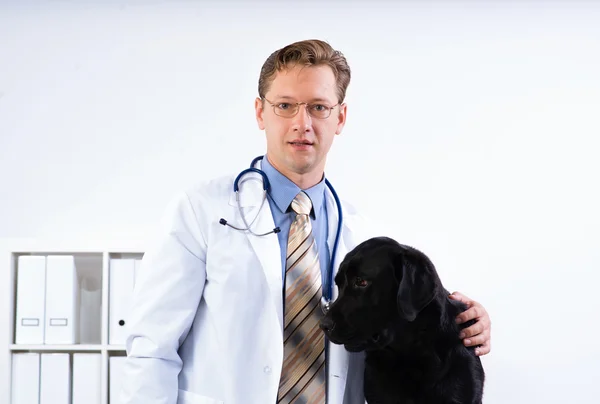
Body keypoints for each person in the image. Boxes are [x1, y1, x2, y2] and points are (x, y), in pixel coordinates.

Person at [119, 39, 492, 404]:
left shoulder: (362, 236)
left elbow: (402, 330)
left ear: (340, 117)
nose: (302, 123)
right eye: (285, 105)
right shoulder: (200, 211)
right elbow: (152, 347)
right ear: (259, 113)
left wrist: (464, 323)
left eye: (318, 107)